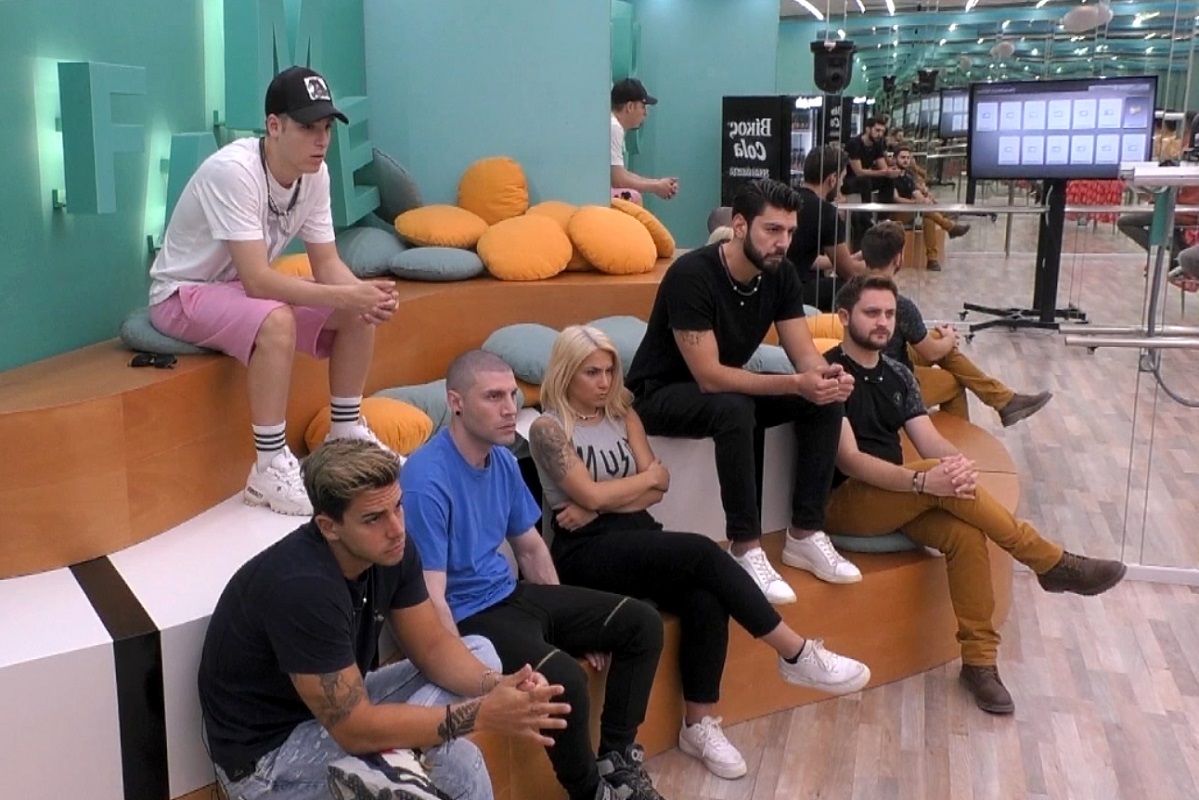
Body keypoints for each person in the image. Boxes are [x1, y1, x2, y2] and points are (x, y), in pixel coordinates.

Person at [529, 325, 871, 780]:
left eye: (610, 371)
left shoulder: (624, 413)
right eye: (592, 372)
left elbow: (659, 485)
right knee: (703, 552)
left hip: (636, 533)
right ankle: (795, 652)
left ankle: (698, 724)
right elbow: (611, 489)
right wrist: (617, 493)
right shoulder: (549, 428)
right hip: (585, 551)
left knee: (705, 596)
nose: (605, 382)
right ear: (566, 371)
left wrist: (600, 501)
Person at [197, 438, 571, 800]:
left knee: (481, 652)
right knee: (459, 761)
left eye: (398, 507)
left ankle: (400, 756)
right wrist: (480, 715)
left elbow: (432, 647)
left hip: (340, 713)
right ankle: (400, 756)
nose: (396, 529)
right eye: (373, 518)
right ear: (329, 527)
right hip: (268, 762)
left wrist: (501, 687)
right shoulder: (303, 588)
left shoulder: (392, 548)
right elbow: (355, 730)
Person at [823, 275, 1127, 714]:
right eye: (872, 313)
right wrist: (924, 481)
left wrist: (958, 466)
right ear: (844, 317)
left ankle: (979, 662)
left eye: (889, 313)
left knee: (964, 535)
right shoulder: (829, 375)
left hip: (895, 494)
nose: (883, 322)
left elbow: (929, 441)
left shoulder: (898, 375)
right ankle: (1049, 561)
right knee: (929, 473)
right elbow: (849, 460)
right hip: (842, 503)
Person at [401, 351, 667, 800]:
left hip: (511, 594)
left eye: (512, 395)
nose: (510, 408)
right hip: (470, 617)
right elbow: (433, 597)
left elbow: (530, 548)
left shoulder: (503, 461)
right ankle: (590, 792)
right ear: (456, 402)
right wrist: (464, 670)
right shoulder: (426, 480)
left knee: (641, 623)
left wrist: (572, 627)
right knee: (565, 680)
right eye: (493, 397)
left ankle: (616, 760)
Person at [148, 66, 400, 517]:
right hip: (181, 294)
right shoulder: (233, 172)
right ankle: (267, 469)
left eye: (326, 128)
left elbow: (327, 265)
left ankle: (344, 435)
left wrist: (366, 296)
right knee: (278, 320)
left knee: (358, 308)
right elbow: (258, 282)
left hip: (236, 291)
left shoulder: (315, 175)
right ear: (274, 126)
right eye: (307, 128)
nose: (321, 140)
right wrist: (347, 295)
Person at [626, 178, 860, 606]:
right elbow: (709, 377)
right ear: (739, 225)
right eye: (772, 230)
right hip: (660, 394)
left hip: (720, 389)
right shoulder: (691, 275)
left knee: (823, 400)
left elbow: (803, 355)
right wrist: (796, 383)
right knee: (734, 409)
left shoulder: (780, 274)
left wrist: (826, 377)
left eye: (790, 232)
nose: (783, 242)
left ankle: (805, 534)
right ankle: (745, 547)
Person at [859, 221, 1052, 427]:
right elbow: (931, 353)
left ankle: (1004, 399)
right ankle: (966, 436)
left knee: (937, 338)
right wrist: (950, 339)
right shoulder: (899, 305)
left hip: (867, 368)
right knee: (953, 381)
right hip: (890, 382)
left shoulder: (851, 293)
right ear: (899, 258)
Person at [785, 144, 865, 311]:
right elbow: (848, 272)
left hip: (772, 286)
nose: (841, 185)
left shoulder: (787, 199)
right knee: (852, 287)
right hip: (792, 292)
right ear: (832, 179)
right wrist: (879, 265)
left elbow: (804, 258)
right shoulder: (826, 213)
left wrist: (853, 257)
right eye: (842, 179)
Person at [889, 146, 970, 272]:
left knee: (928, 219)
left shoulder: (908, 177)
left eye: (908, 158)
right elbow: (896, 199)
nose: (906, 160)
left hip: (911, 211)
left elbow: (917, 194)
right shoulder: (891, 176)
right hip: (895, 212)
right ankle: (950, 226)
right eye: (902, 157)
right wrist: (916, 203)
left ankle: (932, 260)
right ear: (895, 159)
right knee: (925, 210)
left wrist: (925, 201)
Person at [610, 78, 678, 203]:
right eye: (643, 107)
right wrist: (656, 187)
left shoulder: (613, 125)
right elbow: (618, 180)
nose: (646, 113)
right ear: (630, 107)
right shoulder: (614, 128)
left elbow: (622, 174)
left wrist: (657, 184)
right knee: (634, 197)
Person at [842, 117, 903, 247]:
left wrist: (890, 172)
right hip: (849, 180)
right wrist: (884, 172)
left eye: (882, 131)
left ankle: (883, 217)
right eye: (877, 130)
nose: (880, 134)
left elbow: (883, 168)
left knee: (888, 180)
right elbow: (858, 171)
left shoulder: (877, 145)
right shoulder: (854, 144)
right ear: (868, 129)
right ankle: (867, 217)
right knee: (865, 180)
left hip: (866, 179)